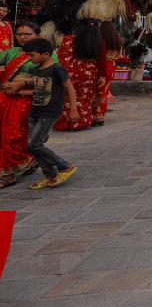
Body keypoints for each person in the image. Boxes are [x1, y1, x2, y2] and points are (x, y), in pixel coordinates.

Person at [22, 37, 78, 189]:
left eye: (32, 55)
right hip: (36, 110)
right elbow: (39, 88)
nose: (29, 58)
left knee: (35, 144)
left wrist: (73, 110)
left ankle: (64, 166)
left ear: (46, 54)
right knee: (32, 145)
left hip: (50, 111)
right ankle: (49, 175)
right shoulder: (36, 69)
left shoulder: (57, 68)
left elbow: (70, 88)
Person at [0, 22, 48, 187]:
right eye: (19, 34)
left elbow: (50, 80)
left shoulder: (46, 54)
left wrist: (21, 84)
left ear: (38, 36)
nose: (22, 37)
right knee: (4, 136)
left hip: (26, 100)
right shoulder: (11, 53)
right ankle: (28, 161)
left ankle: (8, 175)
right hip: (5, 98)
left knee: (13, 135)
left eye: (27, 34)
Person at [54, 18, 105, 131]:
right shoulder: (98, 41)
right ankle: (82, 122)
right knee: (84, 99)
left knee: (68, 97)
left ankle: (67, 123)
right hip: (89, 75)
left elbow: (63, 58)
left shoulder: (69, 39)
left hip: (74, 72)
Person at [93, 21, 123, 127]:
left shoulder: (101, 41)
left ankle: (97, 116)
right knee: (103, 93)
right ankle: (100, 115)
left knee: (98, 93)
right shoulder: (117, 41)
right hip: (111, 67)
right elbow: (119, 55)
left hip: (102, 67)